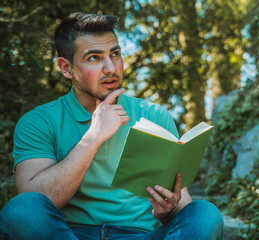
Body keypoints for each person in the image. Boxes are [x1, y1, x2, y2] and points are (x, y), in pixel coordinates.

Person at [0, 12, 223, 240]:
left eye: (115, 54)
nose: (110, 68)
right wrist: (94, 137)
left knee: (205, 214)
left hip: (141, 235)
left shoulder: (153, 115)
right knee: (22, 209)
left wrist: (169, 209)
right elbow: (34, 198)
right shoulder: (39, 121)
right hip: (68, 234)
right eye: (94, 58)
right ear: (66, 68)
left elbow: (181, 201)